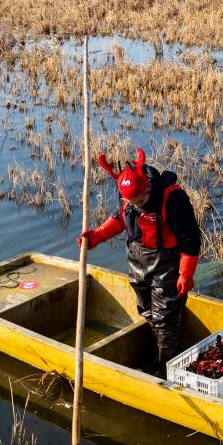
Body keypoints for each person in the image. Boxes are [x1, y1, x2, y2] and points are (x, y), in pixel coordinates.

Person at [78, 148, 201, 374]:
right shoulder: (128, 201)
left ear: (148, 187)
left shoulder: (172, 198)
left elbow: (190, 238)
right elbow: (119, 219)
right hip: (137, 259)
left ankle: (166, 367)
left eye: (142, 199)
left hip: (167, 263)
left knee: (165, 315)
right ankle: (164, 352)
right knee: (146, 310)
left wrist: (186, 273)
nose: (139, 205)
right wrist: (97, 236)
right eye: (132, 202)